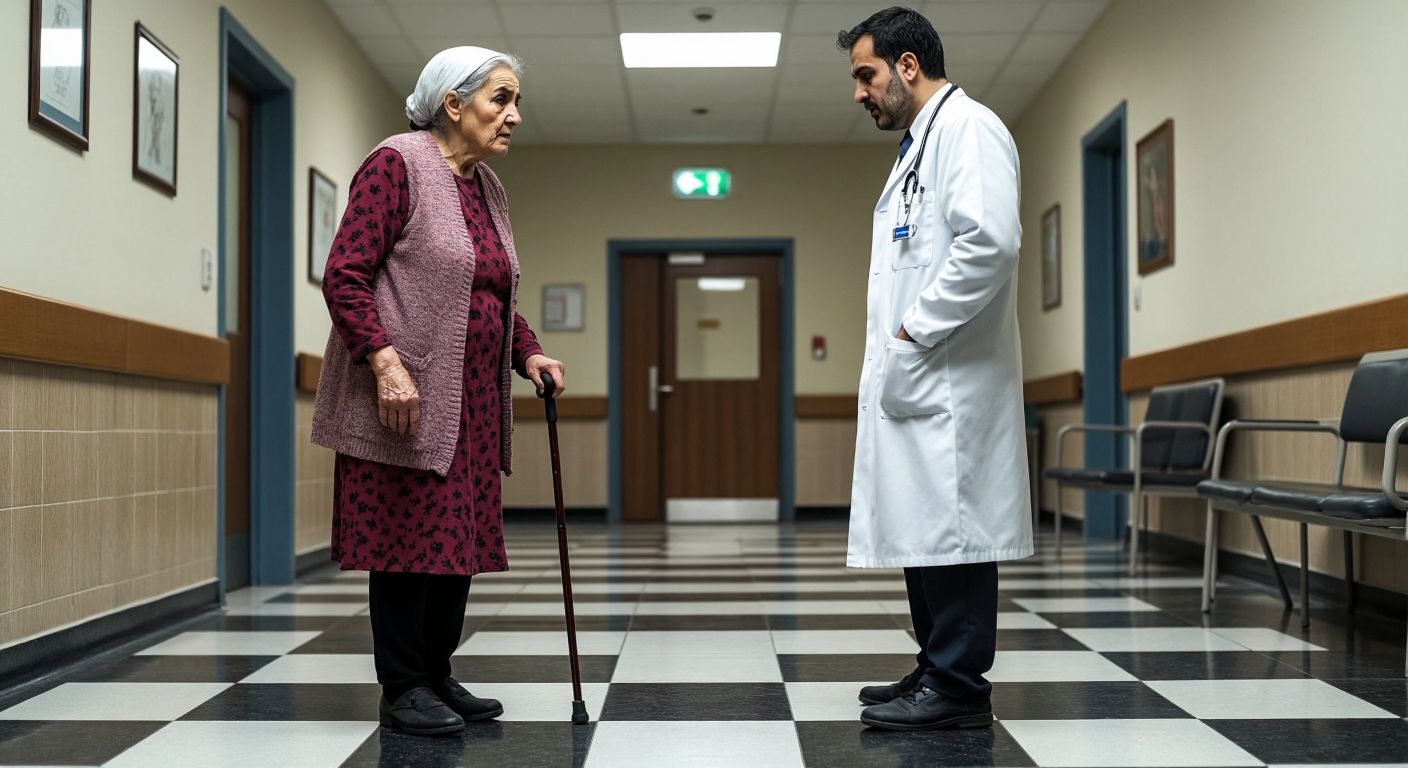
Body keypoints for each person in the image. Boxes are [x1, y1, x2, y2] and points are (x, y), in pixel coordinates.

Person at [311, 46, 566, 737]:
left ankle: (437, 672)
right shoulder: (397, 163)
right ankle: (402, 687)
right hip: (406, 399)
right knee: (405, 543)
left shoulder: (486, 188)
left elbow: (489, 291)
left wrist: (529, 351)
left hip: (472, 406)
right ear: (453, 104)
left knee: (457, 543)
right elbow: (345, 275)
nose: (514, 116)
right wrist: (386, 364)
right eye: (501, 99)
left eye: (516, 102)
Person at [836, 7, 1032, 731]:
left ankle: (958, 686)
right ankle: (935, 664)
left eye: (866, 75)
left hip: (950, 377)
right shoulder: (924, 144)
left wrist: (916, 327)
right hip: (927, 376)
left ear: (907, 65)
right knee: (928, 524)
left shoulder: (968, 129)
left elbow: (991, 244)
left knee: (954, 528)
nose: (859, 93)